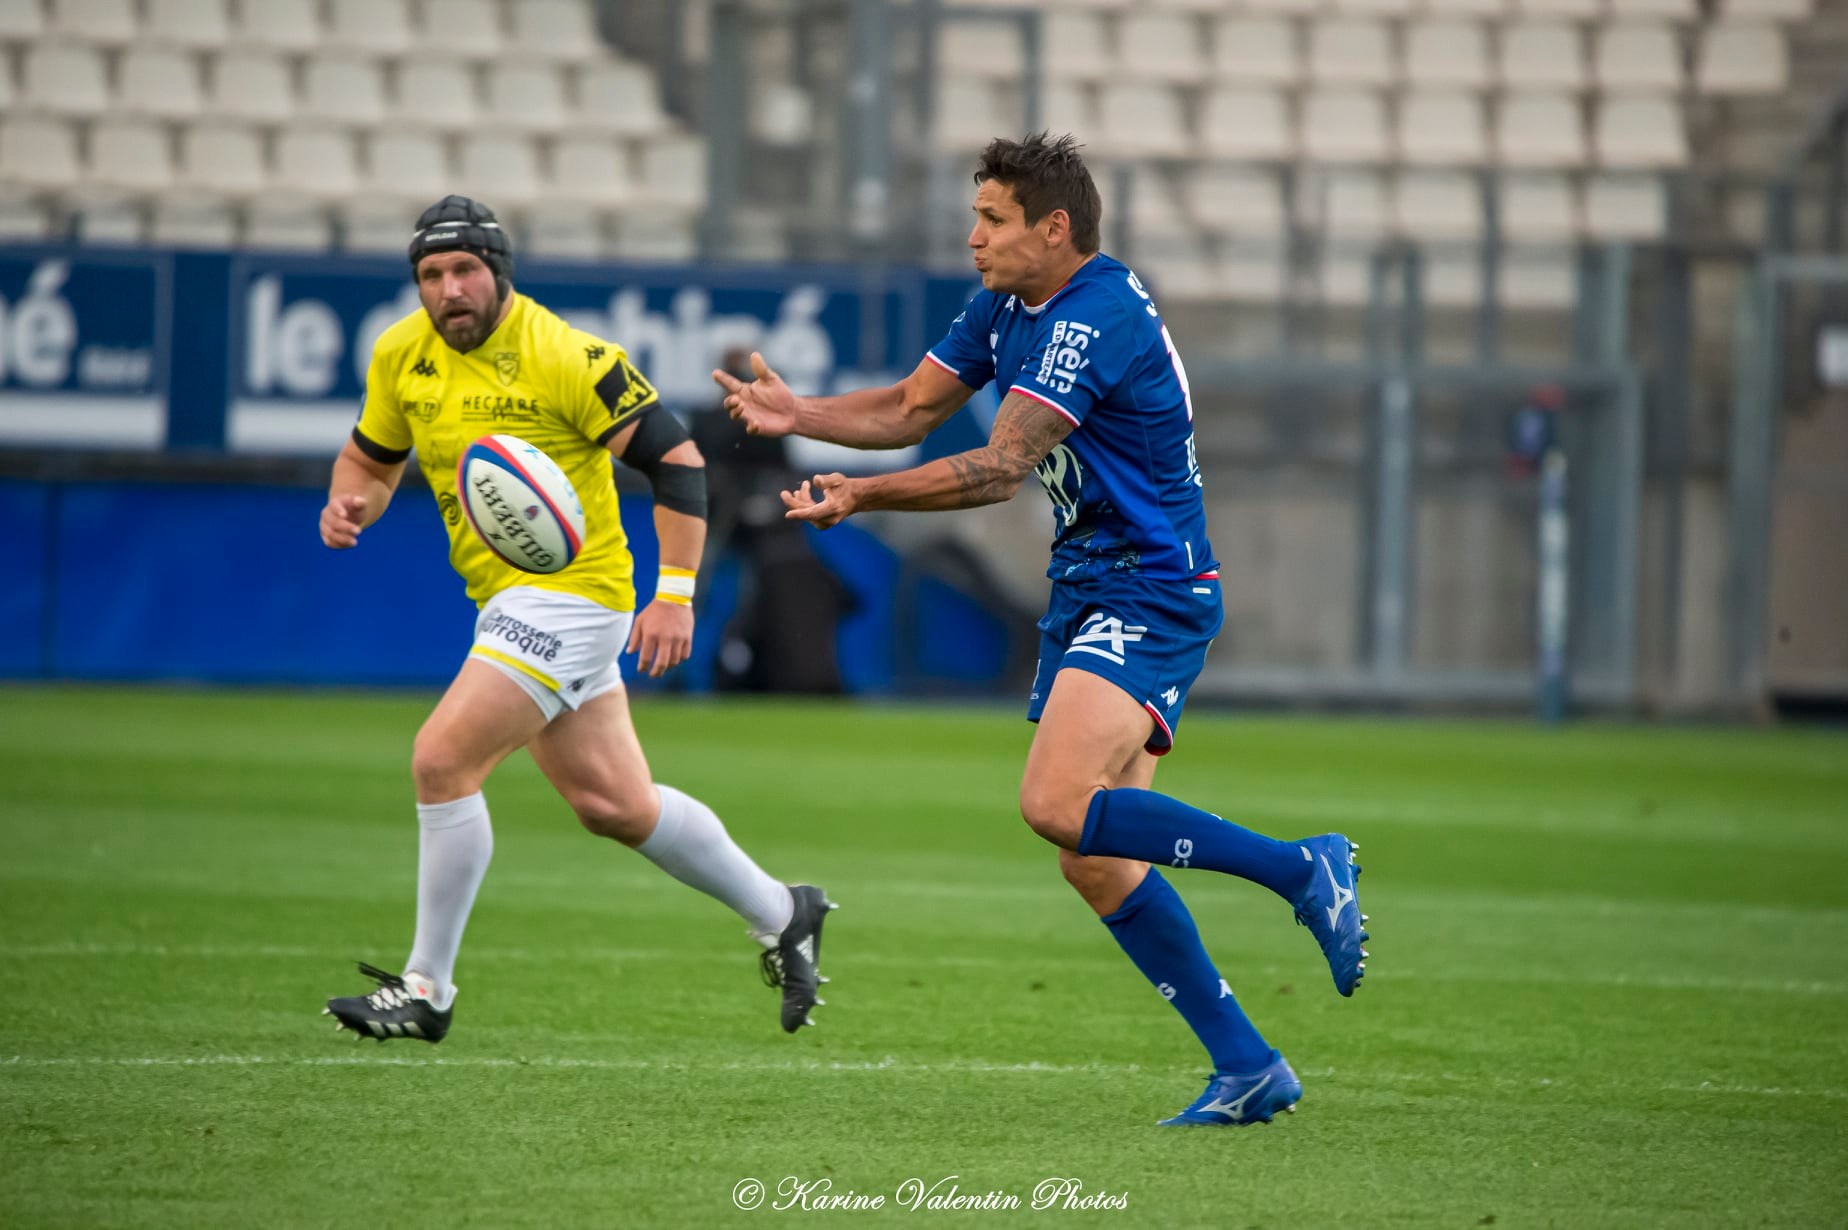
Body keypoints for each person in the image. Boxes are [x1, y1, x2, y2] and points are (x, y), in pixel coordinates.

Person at [715, 135, 1369, 1126]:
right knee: (1095, 857)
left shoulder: (1094, 316)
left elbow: (997, 467)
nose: (972, 237)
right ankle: (1247, 1066)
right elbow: (907, 405)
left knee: (1057, 802)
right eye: (975, 216)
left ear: (1053, 229)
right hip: (1090, 586)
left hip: (1151, 588)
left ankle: (1299, 865)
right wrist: (797, 411)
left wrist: (863, 494)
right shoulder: (1005, 306)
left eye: (992, 220)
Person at [318, 195, 835, 1043]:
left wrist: (673, 594)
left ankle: (426, 989)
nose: (449, 290)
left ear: (499, 274)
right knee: (614, 805)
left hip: (576, 595)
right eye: (431, 275)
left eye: (465, 271)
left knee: (442, 761)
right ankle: (784, 911)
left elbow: (680, 464)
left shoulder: (569, 355)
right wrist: (352, 504)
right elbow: (370, 461)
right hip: (505, 601)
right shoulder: (399, 353)